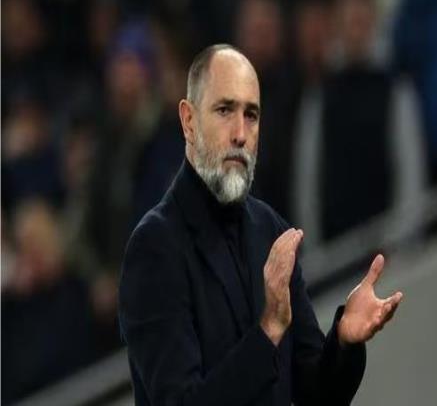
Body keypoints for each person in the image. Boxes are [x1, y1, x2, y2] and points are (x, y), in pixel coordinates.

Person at [118, 44, 403, 406]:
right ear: (189, 120)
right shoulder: (155, 247)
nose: (240, 133)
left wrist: (344, 341)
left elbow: (316, 393)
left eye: (251, 115)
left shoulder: (270, 230)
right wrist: (268, 332)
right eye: (225, 110)